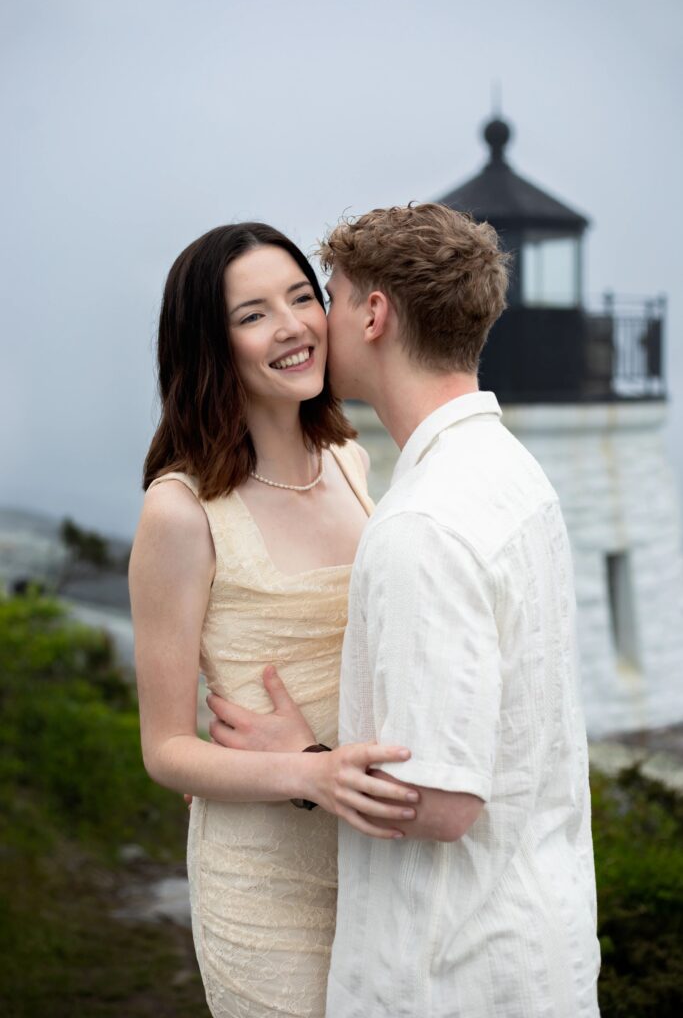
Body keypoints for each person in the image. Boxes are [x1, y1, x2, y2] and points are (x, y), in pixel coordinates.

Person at [208, 204, 601, 1016]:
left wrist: (304, 762)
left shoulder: (423, 521)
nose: (314, 322)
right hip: (535, 943)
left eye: (328, 295)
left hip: (449, 970)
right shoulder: (509, 471)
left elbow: (443, 803)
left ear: (375, 314)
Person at [128, 221, 419, 1018]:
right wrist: (307, 772)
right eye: (252, 314)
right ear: (207, 345)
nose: (292, 326)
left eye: (301, 297)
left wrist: (329, 768)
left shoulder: (351, 461)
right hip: (264, 882)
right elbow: (166, 749)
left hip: (377, 859)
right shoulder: (181, 511)